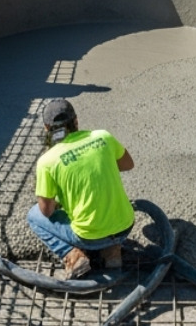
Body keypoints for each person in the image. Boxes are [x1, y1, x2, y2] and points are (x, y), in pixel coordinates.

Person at [26, 98, 135, 278]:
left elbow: (46, 211)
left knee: (33, 215)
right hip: (125, 226)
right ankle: (112, 251)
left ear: (47, 129)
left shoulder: (47, 161)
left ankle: (72, 255)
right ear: (76, 121)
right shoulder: (102, 137)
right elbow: (127, 164)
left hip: (89, 238)